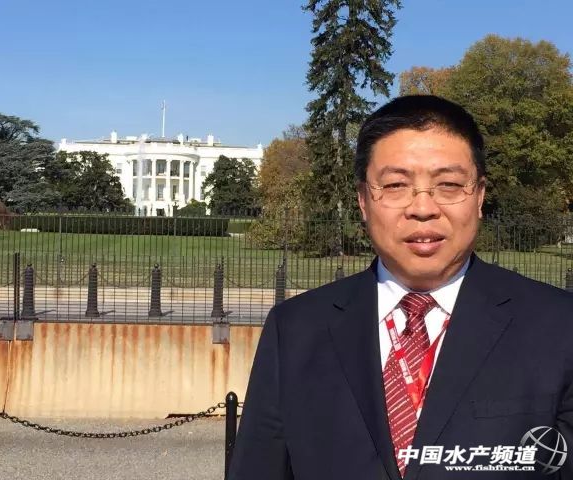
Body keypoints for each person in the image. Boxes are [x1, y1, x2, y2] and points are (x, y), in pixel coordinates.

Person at [227, 95, 573, 479]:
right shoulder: (295, 330)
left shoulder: (558, 326)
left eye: (448, 185)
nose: (422, 208)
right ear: (363, 200)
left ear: (479, 196)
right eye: (395, 185)